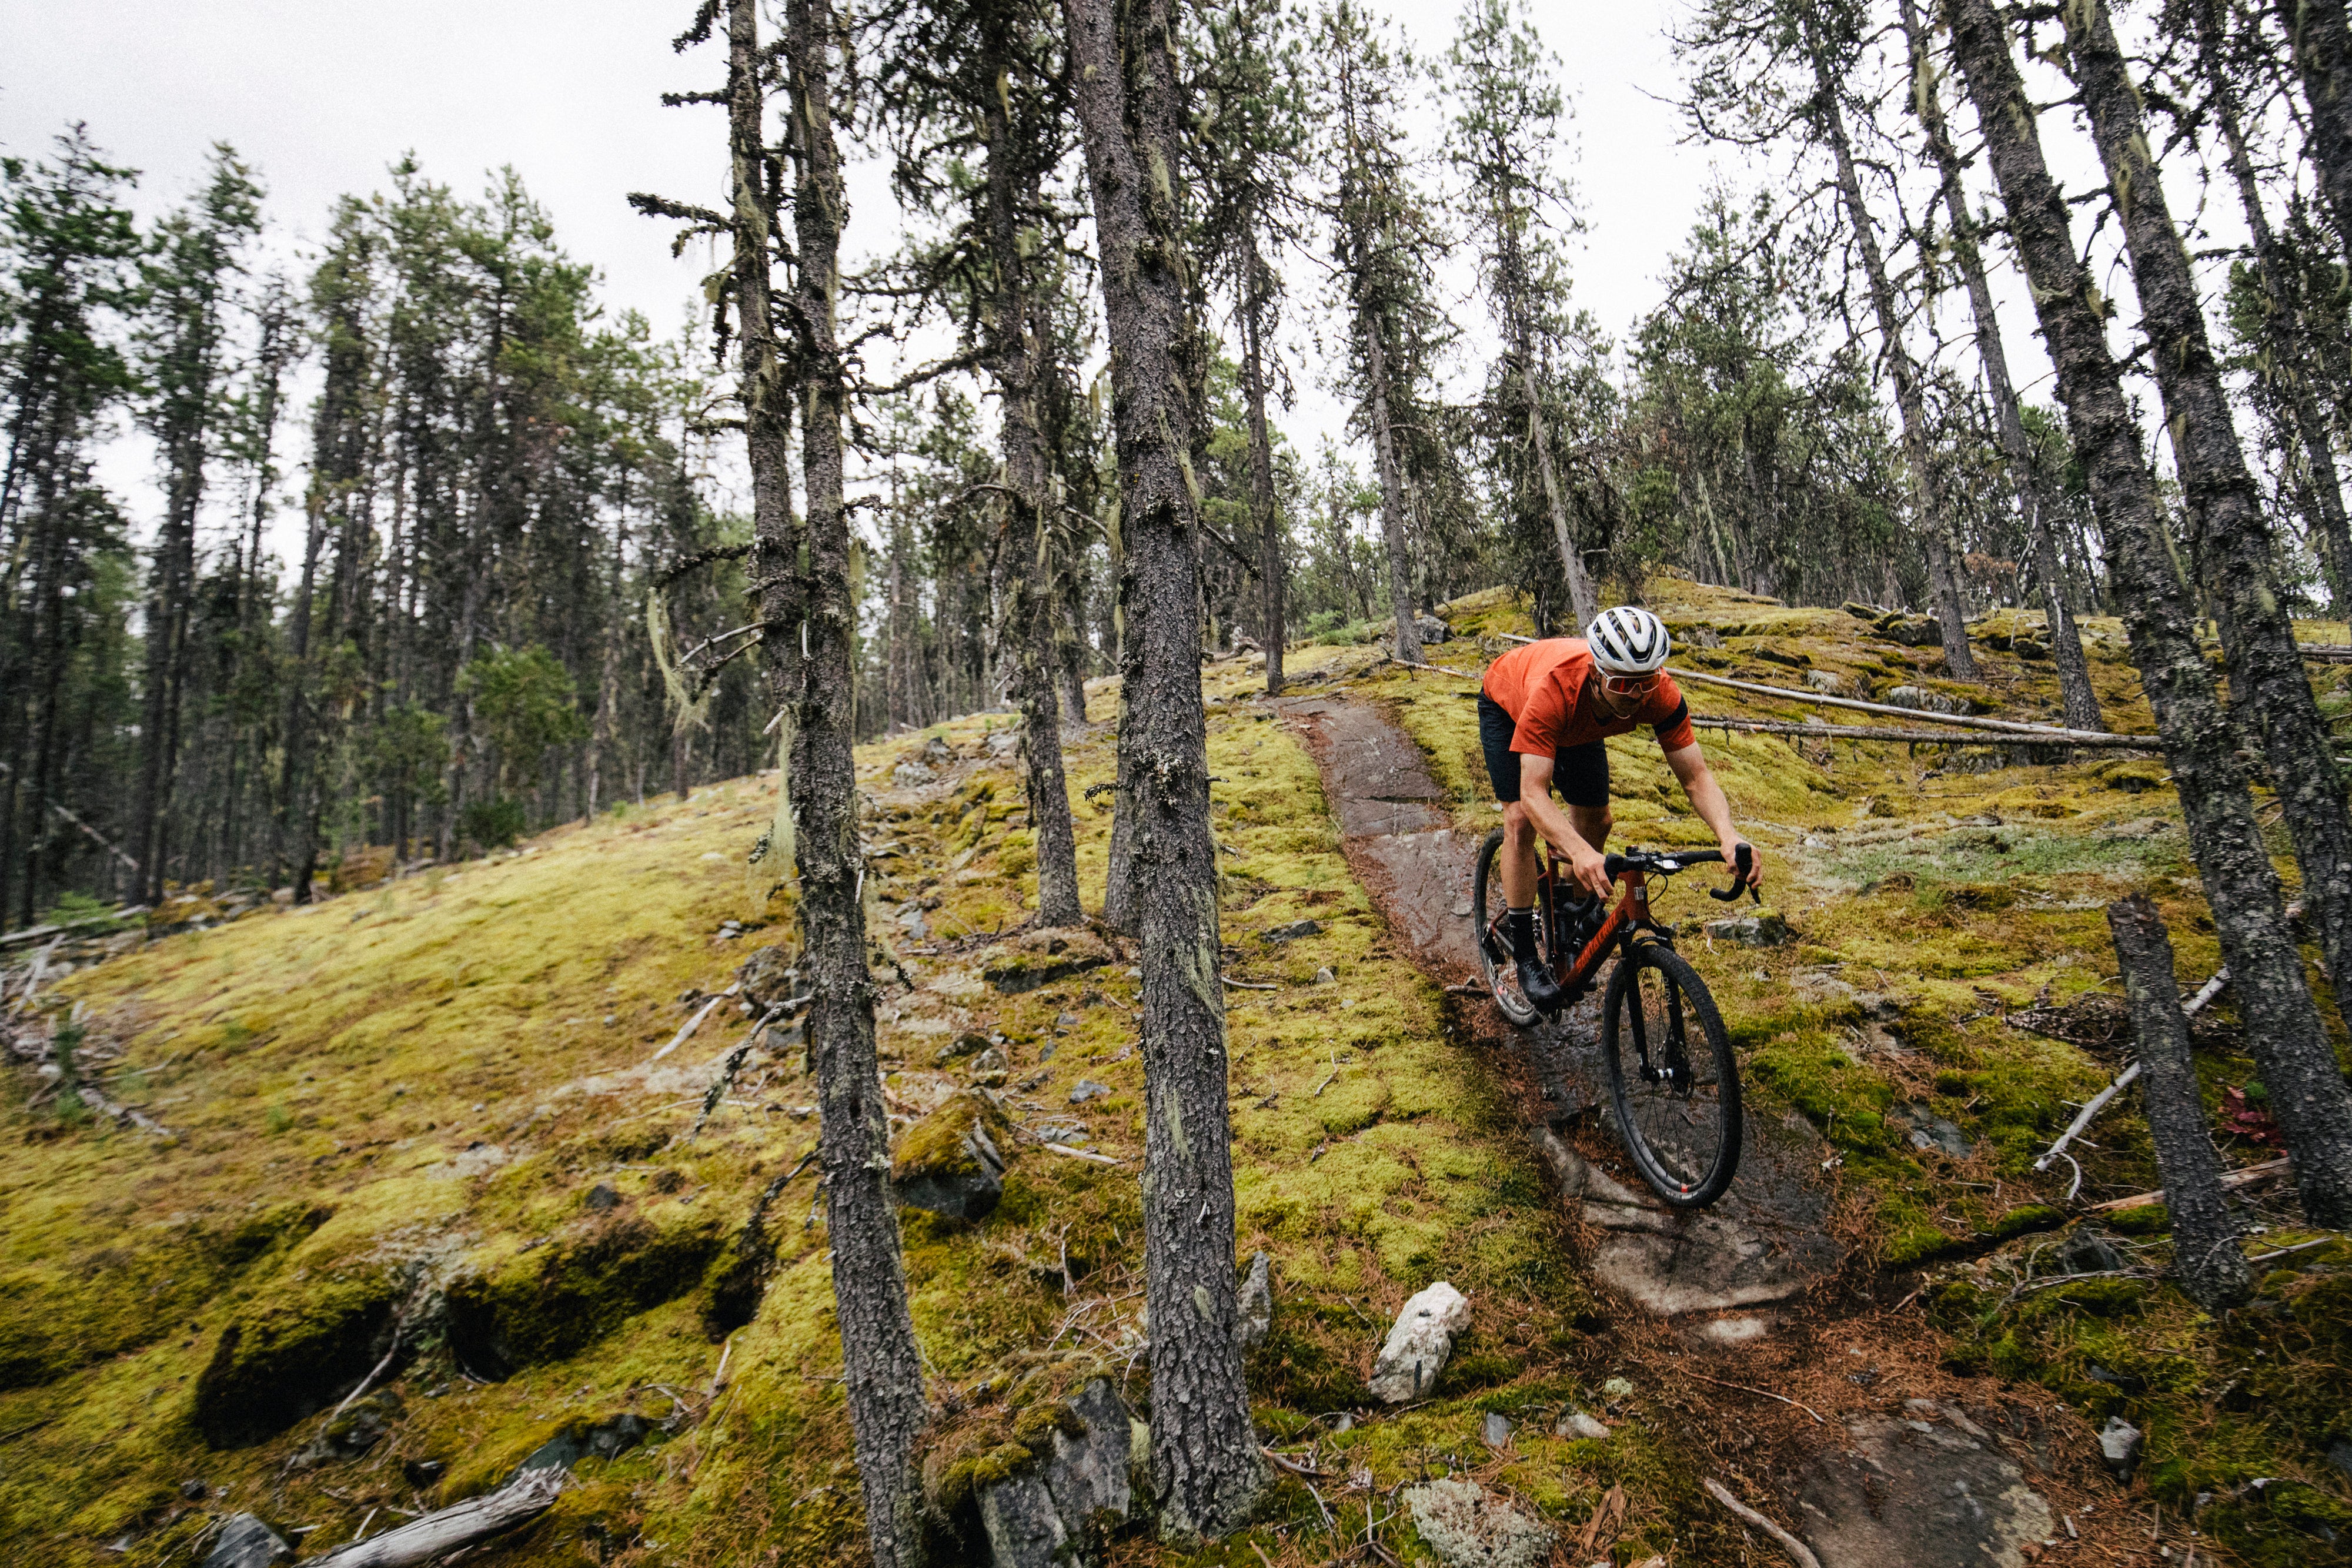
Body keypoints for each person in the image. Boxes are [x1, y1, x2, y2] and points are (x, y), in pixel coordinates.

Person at [1480, 605, 1761, 1013]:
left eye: (1645, 683)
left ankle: (1570, 920)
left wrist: (1729, 834)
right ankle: (1525, 951)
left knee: (1598, 821)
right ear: (1597, 672)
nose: (1637, 695)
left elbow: (1696, 777)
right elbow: (1533, 794)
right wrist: (1577, 852)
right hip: (1508, 703)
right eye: (1624, 683)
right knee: (1521, 822)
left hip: (1584, 722)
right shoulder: (1554, 690)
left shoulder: (1656, 692)